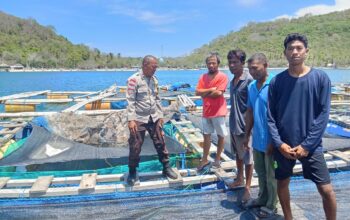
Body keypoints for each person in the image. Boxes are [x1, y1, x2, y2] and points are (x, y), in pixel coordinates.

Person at [267, 33, 337, 220]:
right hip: (284, 146)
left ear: (306, 51)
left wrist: (307, 145)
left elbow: (323, 115)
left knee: (326, 189)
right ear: (285, 53)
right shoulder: (277, 81)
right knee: (282, 183)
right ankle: (288, 217)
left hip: (311, 146)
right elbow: (270, 116)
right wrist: (279, 143)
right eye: (290, 49)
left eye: (299, 48)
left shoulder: (320, 78)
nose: (295, 52)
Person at [126, 55, 178, 186]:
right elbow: (130, 101)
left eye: (156, 66)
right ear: (145, 65)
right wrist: (131, 119)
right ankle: (132, 171)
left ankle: (166, 168)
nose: (155, 69)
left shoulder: (154, 80)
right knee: (135, 145)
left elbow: (157, 99)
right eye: (153, 66)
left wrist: (160, 116)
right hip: (139, 118)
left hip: (154, 117)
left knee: (161, 142)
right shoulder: (133, 80)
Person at [243, 53, 278, 218]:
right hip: (257, 140)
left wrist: (275, 140)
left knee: (272, 175)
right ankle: (262, 198)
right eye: (250, 69)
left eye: (255, 68)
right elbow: (250, 111)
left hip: (272, 140)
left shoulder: (275, 84)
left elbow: (281, 115)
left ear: (265, 66)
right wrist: (246, 135)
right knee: (261, 172)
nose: (252, 72)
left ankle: (272, 204)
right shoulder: (251, 87)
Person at [227, 49, 253, 202]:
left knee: (248, 157)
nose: (232, 65)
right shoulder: (233, 81)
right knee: (238, 153)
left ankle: (248, 187)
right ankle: (239, 178)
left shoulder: (249, 80)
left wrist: (250, 130)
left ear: (243, 63)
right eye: (230, 62)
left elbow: (252, 106)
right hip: (234, 124)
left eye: (235, 62)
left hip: (246, 126)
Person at [195, 53, 228, 170]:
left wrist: (205, 93)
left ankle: (217, 159)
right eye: (209, 63)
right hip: (206, 111)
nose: (211, 65)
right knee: (206, 136)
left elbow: (218, 93)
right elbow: (197, 92)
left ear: (218, 64)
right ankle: (204, 159)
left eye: (214, 62)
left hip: (218, 111)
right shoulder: (203, 77)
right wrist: (210, 89)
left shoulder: (222, 76)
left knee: (221, 136)